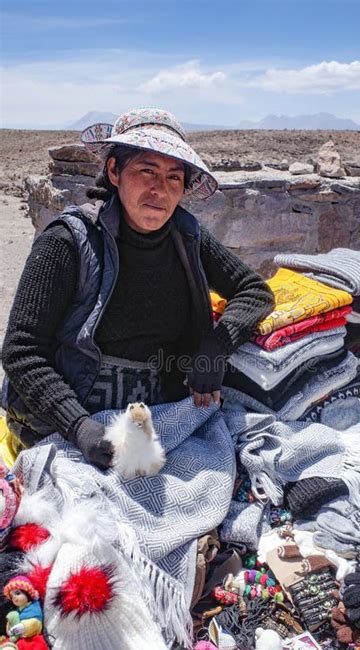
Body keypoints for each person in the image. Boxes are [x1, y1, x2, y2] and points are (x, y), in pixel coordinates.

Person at [2, 107, 274, 469]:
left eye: (174, 178)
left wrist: (214, 346)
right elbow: (21, 350)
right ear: (114, 171)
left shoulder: (187, 235)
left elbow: (253, 290)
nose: (159, 189)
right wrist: (78, 425)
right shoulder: (68, 241)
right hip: (73, 414)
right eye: (146, 171)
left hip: (160, 411)